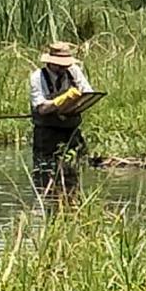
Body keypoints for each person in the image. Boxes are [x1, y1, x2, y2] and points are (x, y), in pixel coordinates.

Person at [29, 41, 94, 193]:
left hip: (71, 129)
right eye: (60, 65)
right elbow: (42, 109)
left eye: (66, 64)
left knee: (74, 168)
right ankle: (48, 203)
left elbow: (88, 93)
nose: (64, 68)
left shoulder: (74, 71)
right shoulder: (37, 77)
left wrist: (74, 103)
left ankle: (71, 201)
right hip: (46, 133)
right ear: (51, 63)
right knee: (44, 170)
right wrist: (61, 100)